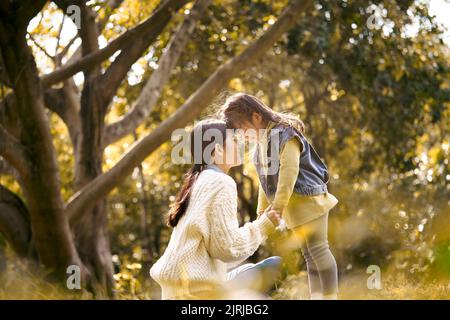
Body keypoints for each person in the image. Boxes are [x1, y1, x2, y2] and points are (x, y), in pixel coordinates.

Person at [221, 93, 339, 300]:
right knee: (309, 255)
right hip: (293, 207)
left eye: (241, 128)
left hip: (309, 200)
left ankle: (331, 296)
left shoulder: (285, 133)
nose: (241, 135)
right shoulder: (261, 146)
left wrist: (279, 205)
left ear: (256, 117)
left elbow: (289, 171)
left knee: (319, 250)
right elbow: (265, 182)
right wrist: (261, 211)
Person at [150, 119, 282, 300]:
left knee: (251, 272)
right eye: (233, 140)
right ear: (218, 150)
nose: (239, 143)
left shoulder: (199, 180)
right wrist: (263, 226)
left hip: (177, 291)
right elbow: (228, 248)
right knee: (275, 265)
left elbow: (217, 250)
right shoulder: (221, 182)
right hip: (197, 295)